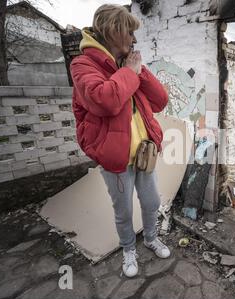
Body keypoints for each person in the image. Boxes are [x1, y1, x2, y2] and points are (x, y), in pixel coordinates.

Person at [70, 4, 170, 278]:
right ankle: (128, 249)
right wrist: (129, 72)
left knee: (151, 203)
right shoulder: (82, 65)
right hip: (115, 158)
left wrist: (138, 70)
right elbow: (106, 100)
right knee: (124, 211)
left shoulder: (128, 65)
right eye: (130, 33)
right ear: (114, 31)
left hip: (144, 153)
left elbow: (160, 101)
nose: (134, 40)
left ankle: (150, 238)